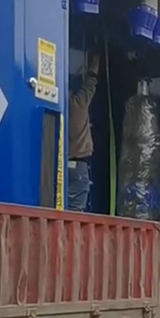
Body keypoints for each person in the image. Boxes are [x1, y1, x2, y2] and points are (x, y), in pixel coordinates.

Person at [67, 49, 101, 212]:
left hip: (60, 167)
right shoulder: (78, 105)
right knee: (76, 211)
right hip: (79, 164)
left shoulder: (58, 113)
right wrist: (96, 60)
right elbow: (91, 82)